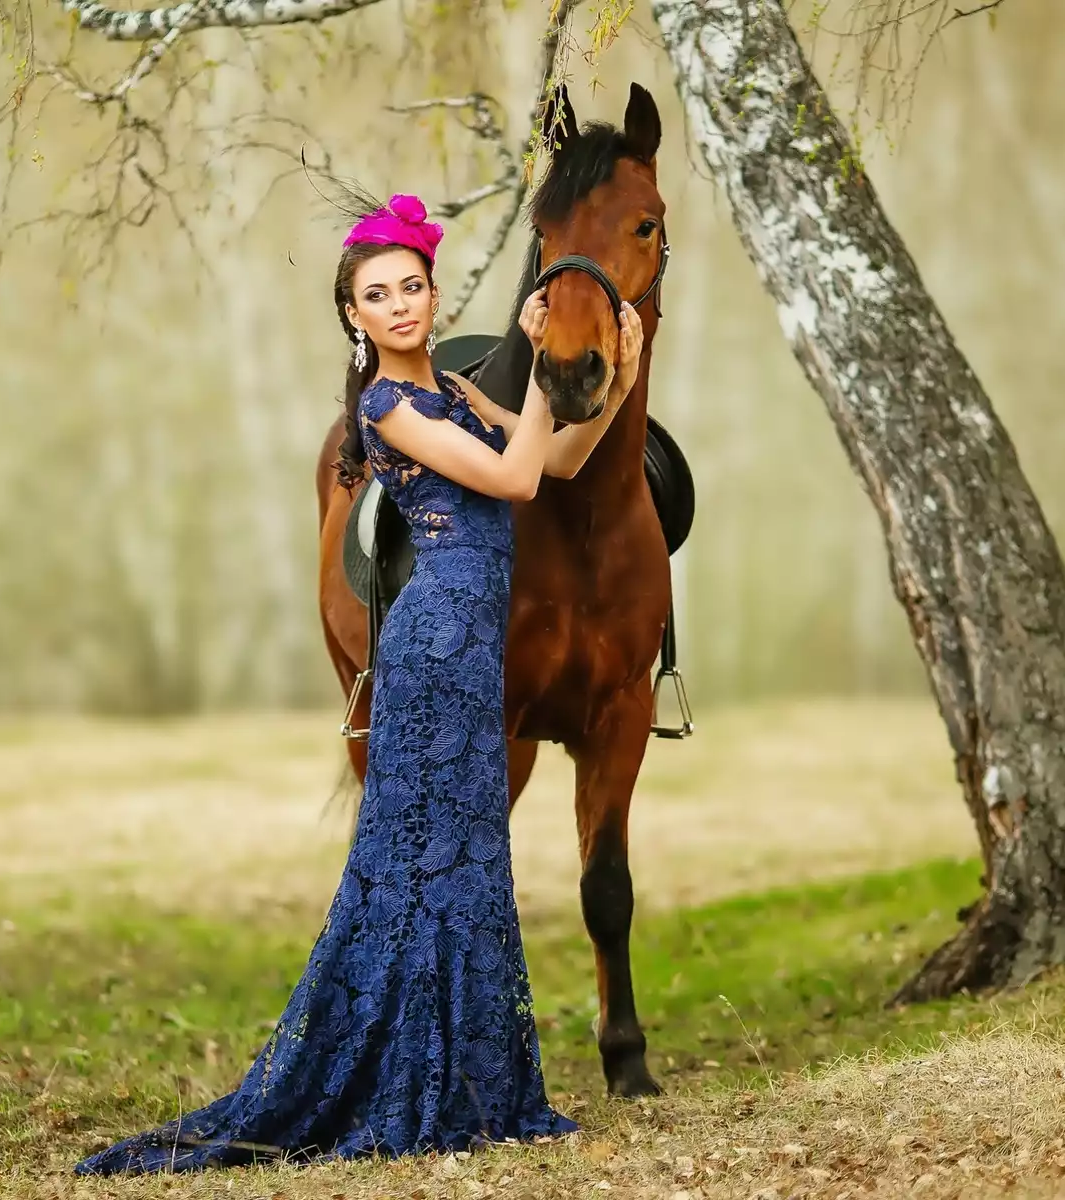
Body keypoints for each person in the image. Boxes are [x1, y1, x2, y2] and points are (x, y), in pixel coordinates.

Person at [74, 192, 643, 1176]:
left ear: (432, 292)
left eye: (413, 287)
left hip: (472, 651)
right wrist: (544, 353)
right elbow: (511, 484)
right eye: (378, 295)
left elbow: (550, 459)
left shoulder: (457, 397)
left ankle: (468, 1085)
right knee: (414, 869)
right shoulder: (388, 408)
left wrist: (615, 369)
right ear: (355, 315)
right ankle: (396, 1082)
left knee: (469, 869)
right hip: (430, 652)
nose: (402, 306)